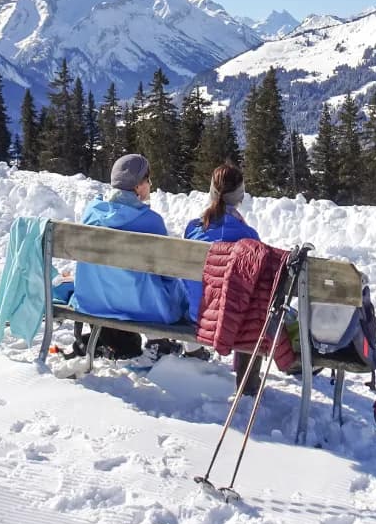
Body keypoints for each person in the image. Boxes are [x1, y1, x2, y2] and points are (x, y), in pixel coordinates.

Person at [71, 154, 191, 357]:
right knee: (173, 291)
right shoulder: (151, 222)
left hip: (94, 301)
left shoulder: (91, 212)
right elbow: (167, 274)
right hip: (142, 307)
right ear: (137, 186)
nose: (150, 185)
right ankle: (162, 343)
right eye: (148, 180)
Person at [184, 162, 261, 386]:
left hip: (194, 314)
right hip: (230, 321)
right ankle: (248, 383)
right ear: (240, 196)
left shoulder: (193, 229)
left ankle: (192, 352)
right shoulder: (248, 236)